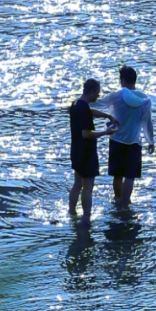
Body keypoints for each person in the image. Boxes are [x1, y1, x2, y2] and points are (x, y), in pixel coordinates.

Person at [92, 65, 155, 207]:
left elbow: (97, 104)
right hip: (134, 142)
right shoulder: (145, 100)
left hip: (117, 140)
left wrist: (80, 102)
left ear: (123, 80)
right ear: (135, 80)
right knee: (130, 176)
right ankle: (125, 202)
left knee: (117, 175)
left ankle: (118, 200)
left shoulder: (115, 96)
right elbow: (147, 123)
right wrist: (151, 141)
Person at [68, 77, 115, 219]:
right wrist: (105, 132)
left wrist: (107, 115)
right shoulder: (83, 109)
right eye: (97, 93)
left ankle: (72, 212)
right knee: (88, 188)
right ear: (92, 92)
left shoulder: (77, 104)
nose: (98, 96)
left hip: (76, 151)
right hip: (86, 153)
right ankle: (86, 218)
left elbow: (90, 111)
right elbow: (86, 134)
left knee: (77, 184)